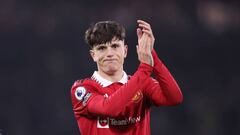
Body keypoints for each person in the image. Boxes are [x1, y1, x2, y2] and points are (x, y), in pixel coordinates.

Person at [70, 20, 183, 135]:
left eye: (115, 46)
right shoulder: (82, 89)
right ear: (93, 55)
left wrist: (151, 54)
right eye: (102, 48)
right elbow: (110, 109)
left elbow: (174, 98)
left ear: (125, 51)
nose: (109, 53)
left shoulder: (143, 83)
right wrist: (145, 67)